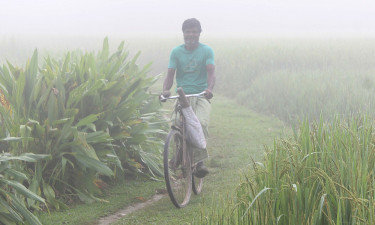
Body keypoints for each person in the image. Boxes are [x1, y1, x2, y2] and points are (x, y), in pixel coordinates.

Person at [161, 18, 216, 178]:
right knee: (177, 124)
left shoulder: (207, 51)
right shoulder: (176, 52)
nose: (191, 34)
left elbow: (211, 72)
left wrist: (209, 89)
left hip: (200, 95)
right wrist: (165, 90)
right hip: (182, 95)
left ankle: (199, 162)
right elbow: (170, 74)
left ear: (199, 33)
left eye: (194, 31)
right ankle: (179, 153)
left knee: (200, 123)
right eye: (187, 31)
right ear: (183, 33)